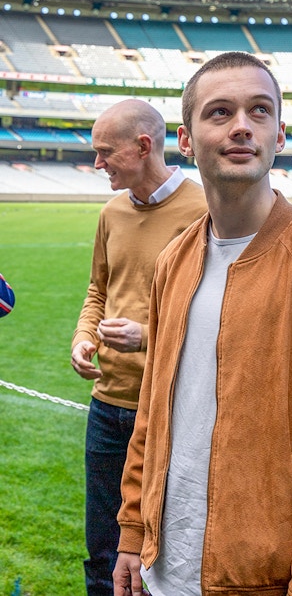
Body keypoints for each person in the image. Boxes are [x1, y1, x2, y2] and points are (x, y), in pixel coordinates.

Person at [113, 52, 292, 596]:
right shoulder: (175, 260)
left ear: (280, 134)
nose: (242, 125)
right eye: (219, 112)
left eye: (259, 111)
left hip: (270, 580)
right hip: (162, 571)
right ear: (186, 140)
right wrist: (130, 532)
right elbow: (153, 411)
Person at [70, 98, 207, 596]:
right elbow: (97, 291)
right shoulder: (111, 212)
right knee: (102, 546)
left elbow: (224, 316)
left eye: (105, 152)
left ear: (144, 146)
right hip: (107, 407)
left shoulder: (203, 212)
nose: (97, 163)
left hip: (171, 409)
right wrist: (85, 335)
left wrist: (147, 336)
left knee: (163, 547)